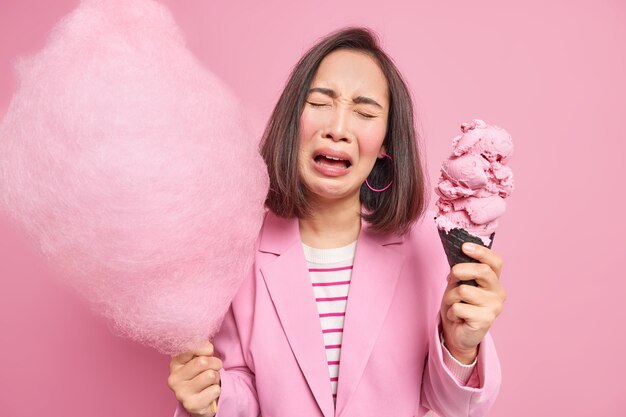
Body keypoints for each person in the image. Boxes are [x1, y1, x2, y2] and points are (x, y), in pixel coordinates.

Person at [167, 27, 505, 417]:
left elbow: (453, 407)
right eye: (320, 102)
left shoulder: (427, 243)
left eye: (364, 112)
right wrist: (211, 395)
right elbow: (242, 385)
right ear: (294, 119)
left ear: (385, 146)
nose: (338, 129)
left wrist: (461, 348)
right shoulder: (239, 247)